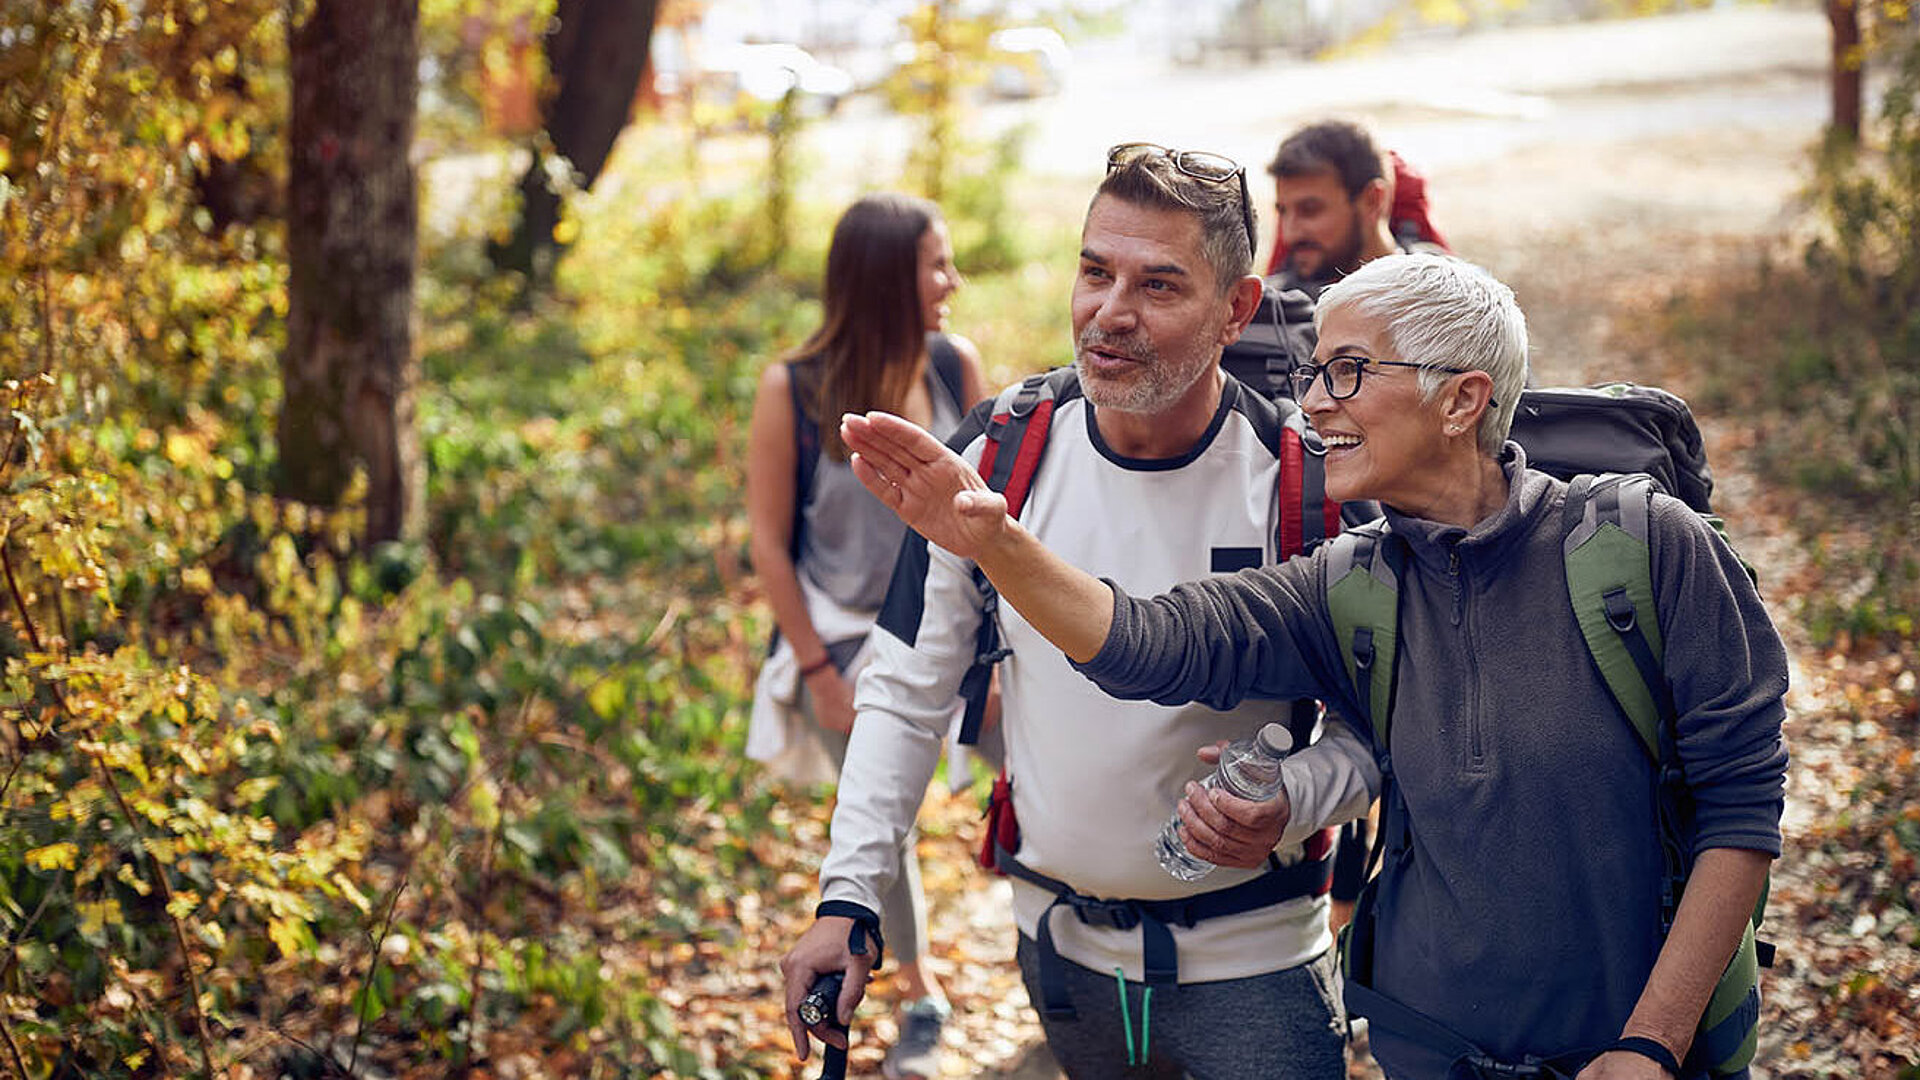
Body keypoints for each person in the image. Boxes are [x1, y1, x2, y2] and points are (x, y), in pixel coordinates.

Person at [838, 251, 1789, 1080]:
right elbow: (1147, 645)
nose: (1313, 401)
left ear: (1461, 399)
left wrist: (1653, 1046)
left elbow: (1741, 808)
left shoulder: (1646, 549)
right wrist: (994, 542)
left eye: (1346, 371)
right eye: (1313, 371)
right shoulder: (1350, 583)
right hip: (1428, 1046)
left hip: (1634, 1051)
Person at [780, 144, 1376, 1080]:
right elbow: (904, 691)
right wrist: (846, 898)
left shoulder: (1302, 482)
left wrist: (1296, 796)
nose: (1110, 312)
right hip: (1059, 951)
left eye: (1160, 285)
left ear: (1236, 310)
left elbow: (1381, 723)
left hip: (1257, 961)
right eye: (1095, 271)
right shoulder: (1000, 459)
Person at [744, 192, 988, 1080]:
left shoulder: (955, 368)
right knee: (876, 807)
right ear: (889, 278)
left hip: (952, 627)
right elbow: (768, 542)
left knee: (1044, 750)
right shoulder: (795, 387)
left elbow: (996, 521)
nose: (951, 280)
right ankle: (921, 993)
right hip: (843, 639)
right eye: (936, 264)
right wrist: (815, 669)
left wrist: (995, 667)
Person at [1267, 120, 1449, 300]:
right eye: (1282, 211)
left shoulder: (1446, 296)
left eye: (1310, 210)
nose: (1289, 233)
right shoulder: (1265, 310)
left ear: (1373, 201)